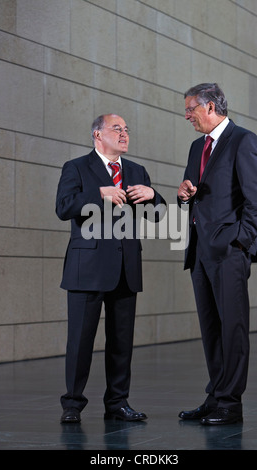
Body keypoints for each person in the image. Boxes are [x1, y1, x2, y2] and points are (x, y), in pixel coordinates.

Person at [56, 113, 166, 424]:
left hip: (125, 268)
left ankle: (117, 403)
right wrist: (98, 194)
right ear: (97, 135)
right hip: (86, 267)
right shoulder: (76, 167)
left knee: (121, 342)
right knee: (80, 340)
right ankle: (72, 404)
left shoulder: (136, 171)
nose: (124, 134)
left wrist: (153, 196)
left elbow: (158, 217)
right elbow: (63, 207)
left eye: (127, 129)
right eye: (116, 128)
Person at [177, 83, 257, 425]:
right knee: (211, 328)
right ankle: (216, 396)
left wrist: (241, 244)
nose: (187, 116)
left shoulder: (243, 141)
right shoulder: (195, 147)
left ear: (211, 107)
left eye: (191, 109)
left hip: (229, 251)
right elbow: (193, 195)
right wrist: (184, 195)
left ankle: (231, 403)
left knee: (233, 328)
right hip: (200, 252)